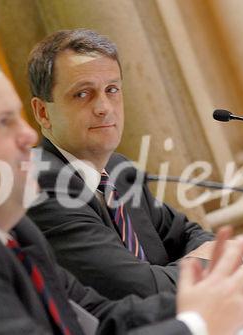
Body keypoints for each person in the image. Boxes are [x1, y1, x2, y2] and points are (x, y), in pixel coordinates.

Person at [0, 50, 243, 335]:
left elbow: (100, 320)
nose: (28, 136)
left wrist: (206, 301)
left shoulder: (13, 232)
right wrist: (196, 324)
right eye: (3, 122)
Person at [27, 29, 216, 300]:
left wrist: (197, 260)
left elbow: (189, 234)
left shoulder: (118, 170)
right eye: (83, 94)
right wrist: (207, 264)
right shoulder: (41, 184)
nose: (104, 107)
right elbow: (140, 290)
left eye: (112, 90)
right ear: (43, 113)